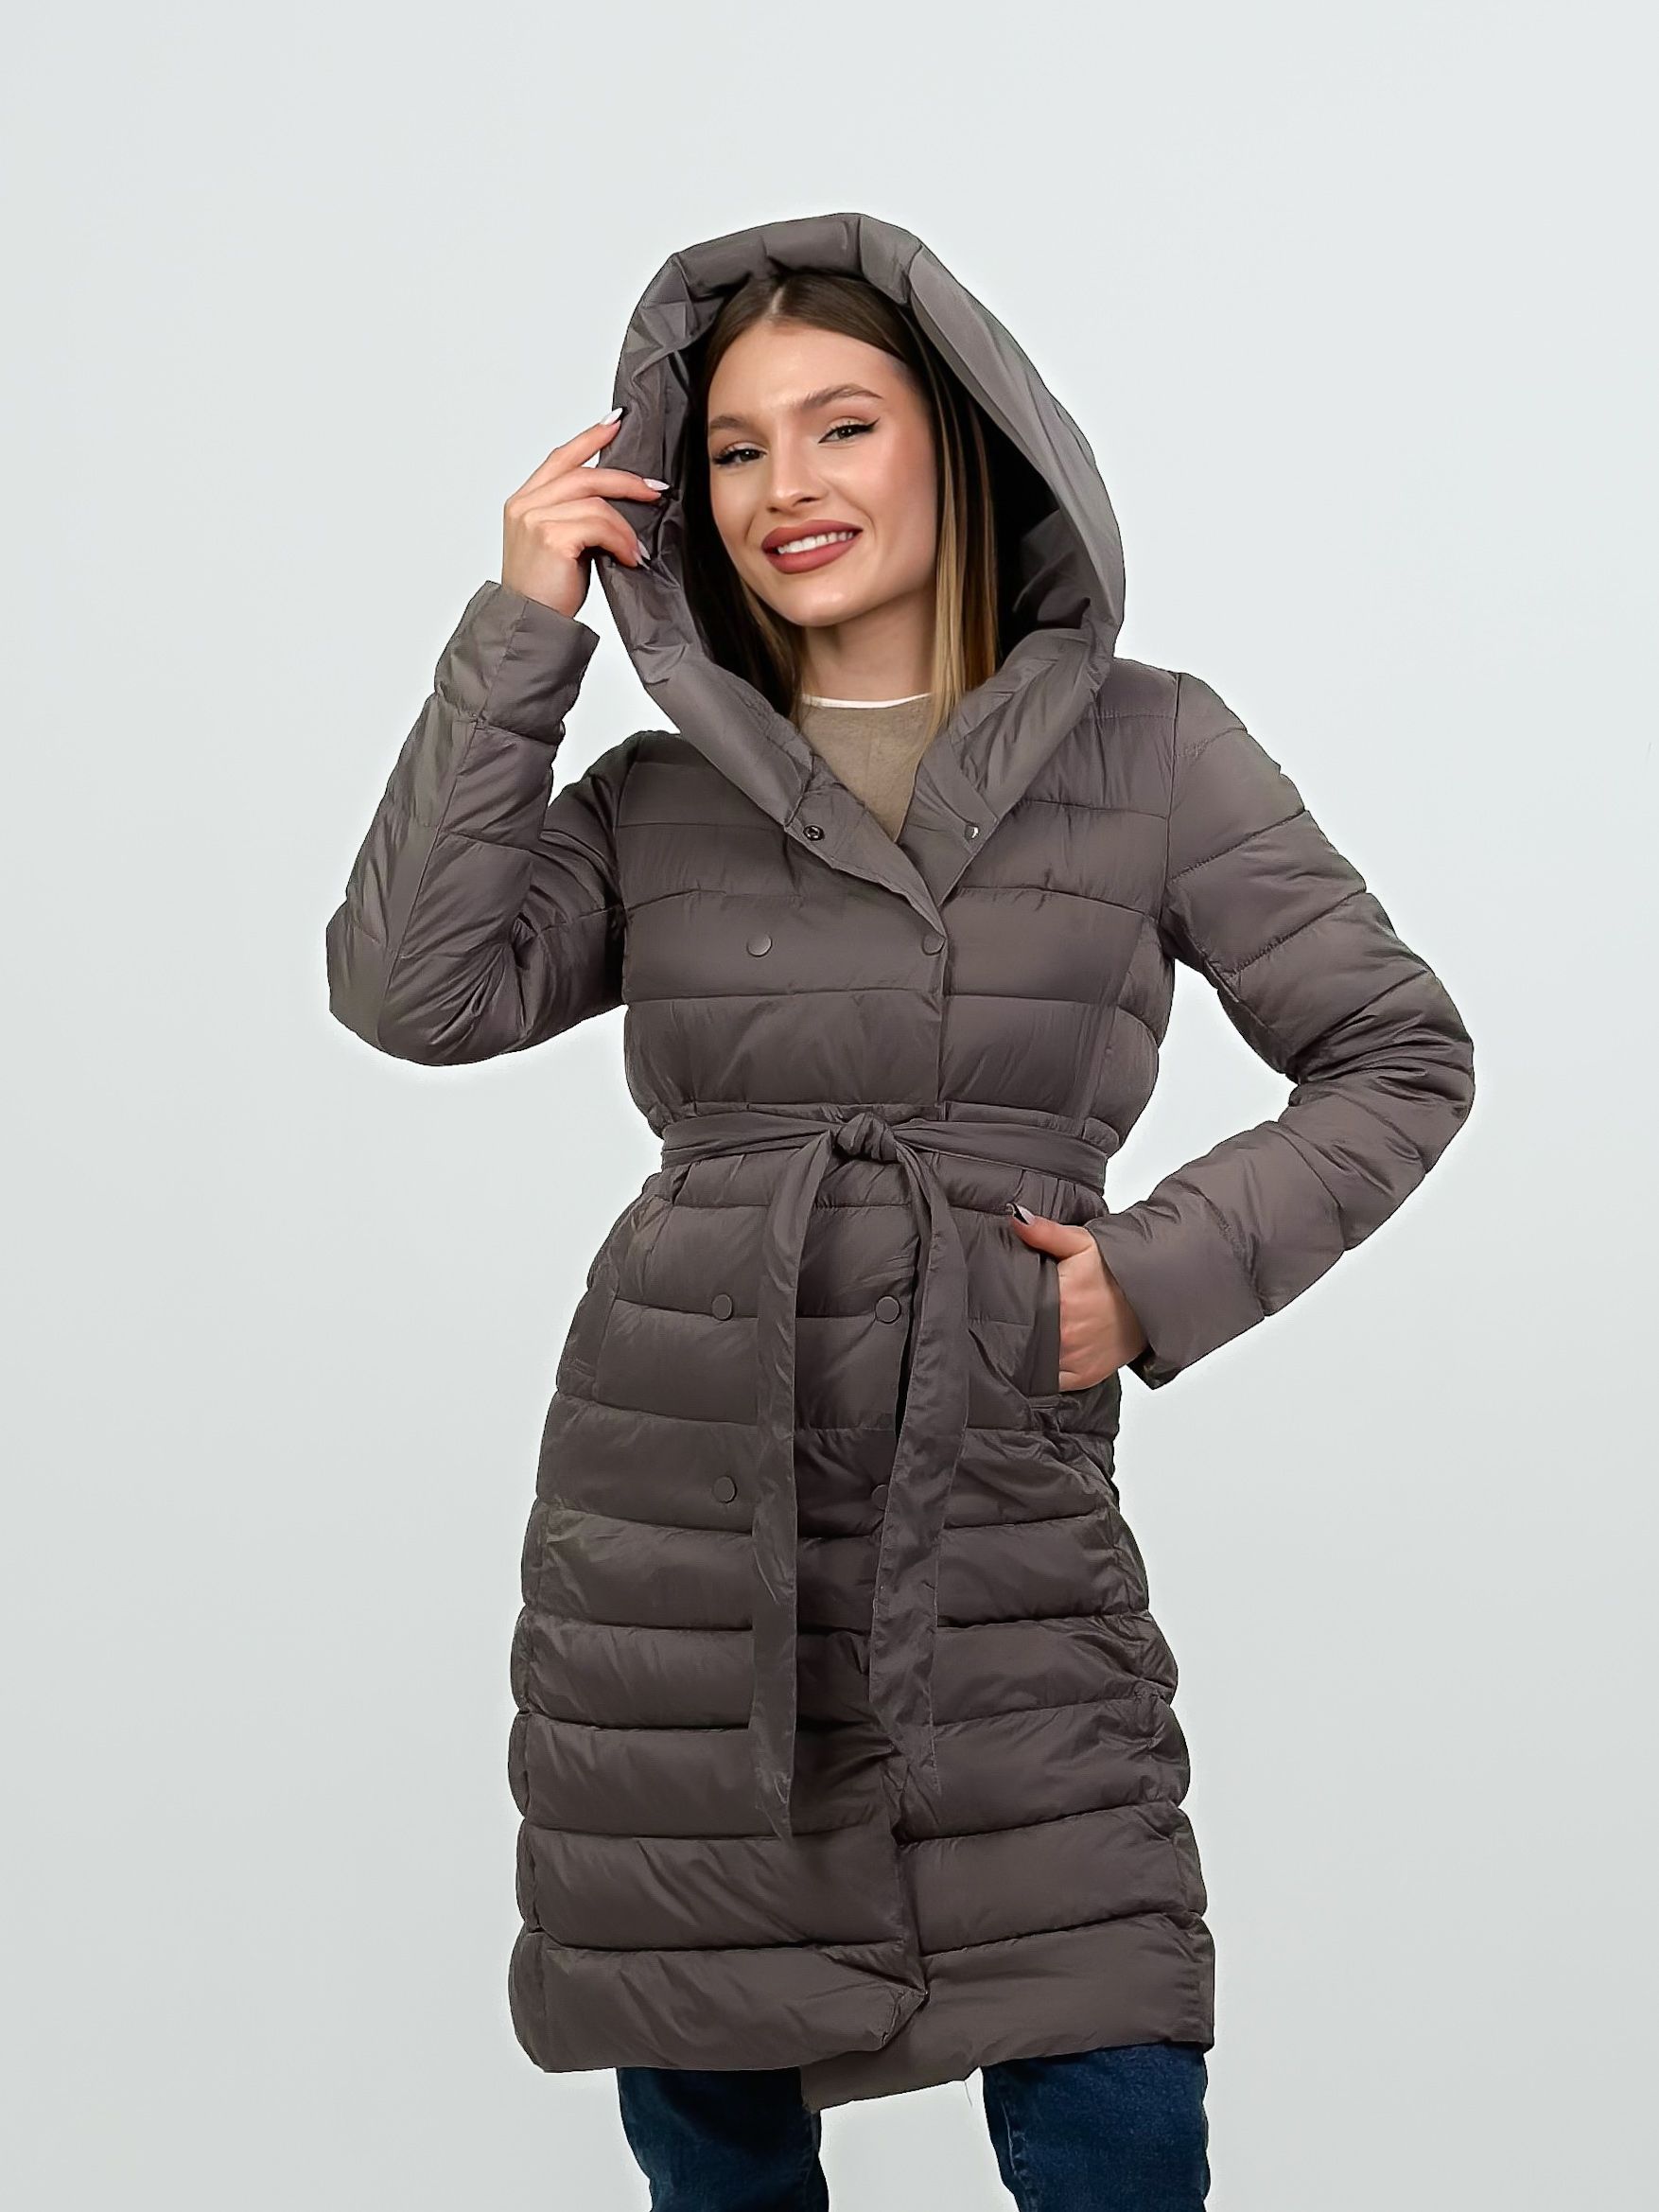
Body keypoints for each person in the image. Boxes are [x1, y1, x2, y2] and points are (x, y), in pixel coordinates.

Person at [324, 211, 1476, 2209]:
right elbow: (410, 992)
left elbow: (1394, 1049)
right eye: (735, 447)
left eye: (841, 424)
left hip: (997, 1505)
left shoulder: (1154, 748)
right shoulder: (656, 791)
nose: (787, 483)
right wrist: (519, 631)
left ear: (963, 445)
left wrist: (1147, 1277)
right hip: (686, 1526)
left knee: (1112, 2100)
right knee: (715, 2131)